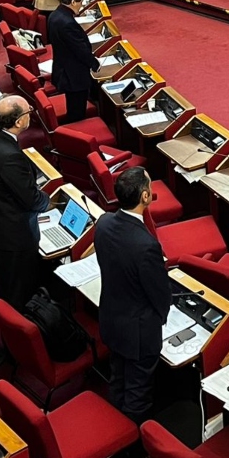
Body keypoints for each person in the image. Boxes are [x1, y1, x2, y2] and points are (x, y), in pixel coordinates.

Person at [96, 167, 171, 424]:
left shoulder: (104, 224)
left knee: (118, 380)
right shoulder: (146, 246)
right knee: (138, 395)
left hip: (111, 319)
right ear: (146, 197)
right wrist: (160, 317)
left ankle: (116, 430)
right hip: (138, 333)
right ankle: (131, 446)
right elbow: (160, 295)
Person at [0, 95, 50, 310]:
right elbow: (32, 199)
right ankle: (19, 332)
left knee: (6, 282)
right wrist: (49, 201)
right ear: (18, 122)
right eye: (28, 112)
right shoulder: (9, 156)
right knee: (19, 291)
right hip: (13, 235)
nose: (31, 114)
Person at [46, 0, 99, 123]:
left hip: (63, 68)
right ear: (73, 1)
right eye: (81, 2)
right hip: (73, 76)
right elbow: (79, 50)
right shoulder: (67, 22)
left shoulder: (54, 15)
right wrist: (95, 64)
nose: (81, 6)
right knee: (77, 113)